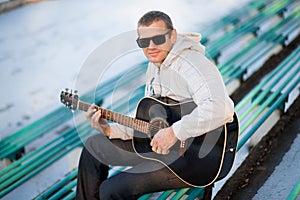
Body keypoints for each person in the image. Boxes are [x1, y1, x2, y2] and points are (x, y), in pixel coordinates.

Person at [75, 10, 234, 200]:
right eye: (144, 42)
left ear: (172, 35)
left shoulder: (193, 63)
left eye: (158, 38)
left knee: (111, 190)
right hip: (161, 148)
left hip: (195, 157)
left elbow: (221, 107)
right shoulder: (154, 66)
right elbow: (149, 126)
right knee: (95, 146)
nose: (150, 47)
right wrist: (109, 129)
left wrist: (175, 132)